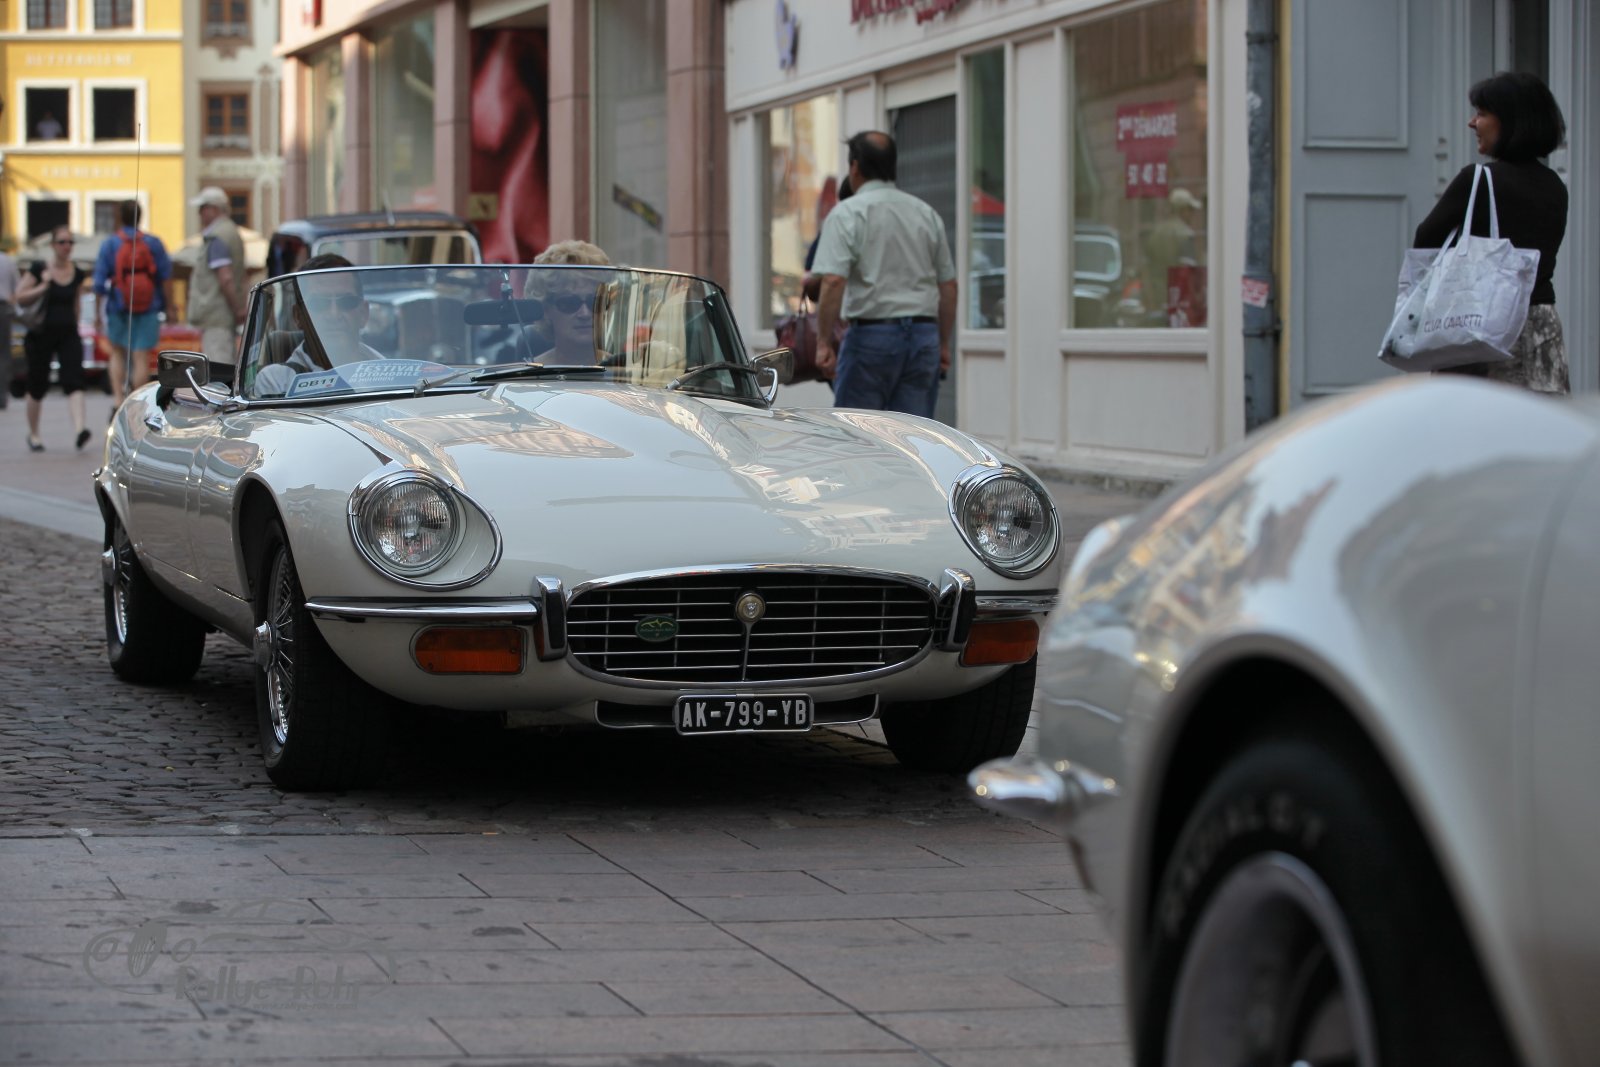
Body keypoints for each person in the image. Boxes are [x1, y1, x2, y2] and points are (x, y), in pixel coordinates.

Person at [1413, 71, 1568, 394]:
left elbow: (1426, 240)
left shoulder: (1478, 181)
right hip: (1540, 329)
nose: (1472, 123)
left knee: (1475, 421)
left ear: (1511, 122)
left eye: (1482, 113)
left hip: (1480, 326)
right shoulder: (1555, 186)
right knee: (1536, 422)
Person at [812, 131, 957, 417]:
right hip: (923, 336)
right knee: (913, 434)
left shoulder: (847, 213)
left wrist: (824, 342)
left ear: (855, 167)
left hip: (871, 336)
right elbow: (949, 285)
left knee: (857, 432)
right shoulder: (925, 213)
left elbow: (833, 280)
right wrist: (943, 343)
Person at [14, 225, 90, 452]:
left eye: (70, 242)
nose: (67, 246)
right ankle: (34, 434)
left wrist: (78, 326)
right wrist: (43, 286)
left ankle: (80, 429)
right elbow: (19, 296)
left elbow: (76, 304)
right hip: (41, 334)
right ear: (53, 245)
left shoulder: (78, 273)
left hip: (68, 333)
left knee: (74, 379)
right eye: (62, 242)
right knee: (37, 383)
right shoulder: (39, 269)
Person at [94, 199, 175, 407]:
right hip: (149, 305)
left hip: (117, 306)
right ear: (141, 216)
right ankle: (136, 401)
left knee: (117, 353)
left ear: (120, 217)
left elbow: (99, 282)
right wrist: (170, 306)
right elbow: (165, 277)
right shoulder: (154, 243)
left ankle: (118, 399)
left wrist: (97, 314)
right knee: (141, 357)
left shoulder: (110, 244)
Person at [521, 240, 612, 364]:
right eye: (569, 303)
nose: (585, 314)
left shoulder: (623, 371)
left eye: (594, 302)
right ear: (546, 309)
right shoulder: (529, 373)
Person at [187, 186, 248, 366]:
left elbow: (226, 278)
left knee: (219, 367)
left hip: (217, 316)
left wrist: (238, 309)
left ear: (213, 208)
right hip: (221, 317)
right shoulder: (229, 231)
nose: (199, 213)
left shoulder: (217, 237)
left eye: (202, 208)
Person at [0, 241, 19, 409]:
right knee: (3, 353)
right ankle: (2, 396)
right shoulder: (7, 261)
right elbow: (17, 289)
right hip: (3, 309)